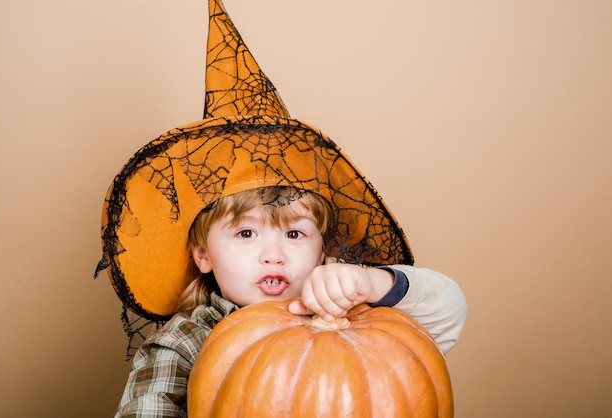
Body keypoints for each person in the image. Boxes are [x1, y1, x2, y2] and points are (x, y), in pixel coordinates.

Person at [95, 1, 466, 417]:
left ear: (322, 248)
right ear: (203, 255)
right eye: (246, 233)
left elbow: (450, 312)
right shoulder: (182, 344)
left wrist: (374, 285)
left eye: (294, 234)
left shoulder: (349, 312)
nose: (274, 253)